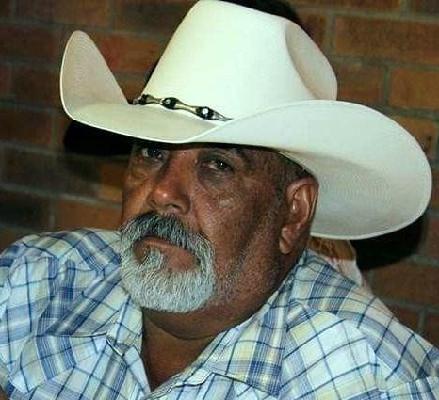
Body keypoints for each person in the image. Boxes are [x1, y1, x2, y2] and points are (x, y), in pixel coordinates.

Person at [0, 0, 438, 398]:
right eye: (151, 152)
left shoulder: (364, 381)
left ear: (294, 213)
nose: (163, 192)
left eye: (217, 165)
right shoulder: (38, 281)